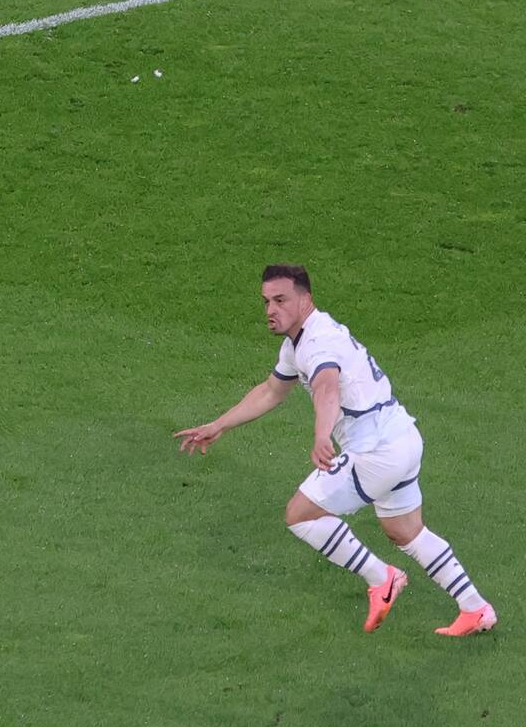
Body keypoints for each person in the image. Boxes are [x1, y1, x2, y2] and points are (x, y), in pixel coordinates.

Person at [175, 265, 496, 637]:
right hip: (402, 438)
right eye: (266, 302)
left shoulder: (319, 342)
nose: (270, 310)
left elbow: (327, 387)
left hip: (375, 450)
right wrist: (218, 425)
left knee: (300, 515)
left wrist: (322, 434)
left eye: (280, 300)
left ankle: (383, 578)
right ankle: (475, 609)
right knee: (405, 531)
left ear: (305, 299)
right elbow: (271, 391)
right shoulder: (299, 342)